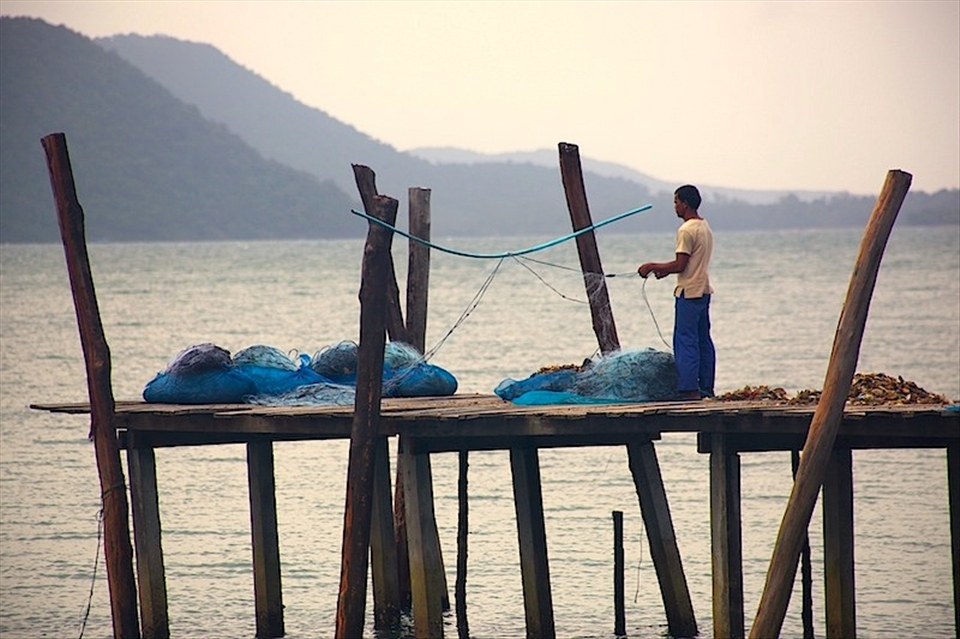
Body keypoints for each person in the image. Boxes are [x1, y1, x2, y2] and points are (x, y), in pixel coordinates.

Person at [638, 184, 715, 400]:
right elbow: (691, 263)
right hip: (703, 290)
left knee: (685, 341)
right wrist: (664, 271)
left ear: (685, 203)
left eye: (676, 202)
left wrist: (652, 266)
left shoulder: (686, 230)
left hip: (688, 293)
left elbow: (681, 265)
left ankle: (689, 389)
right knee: (703, 341)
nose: (675, 206)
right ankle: (706, 387)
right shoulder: (704, 226)